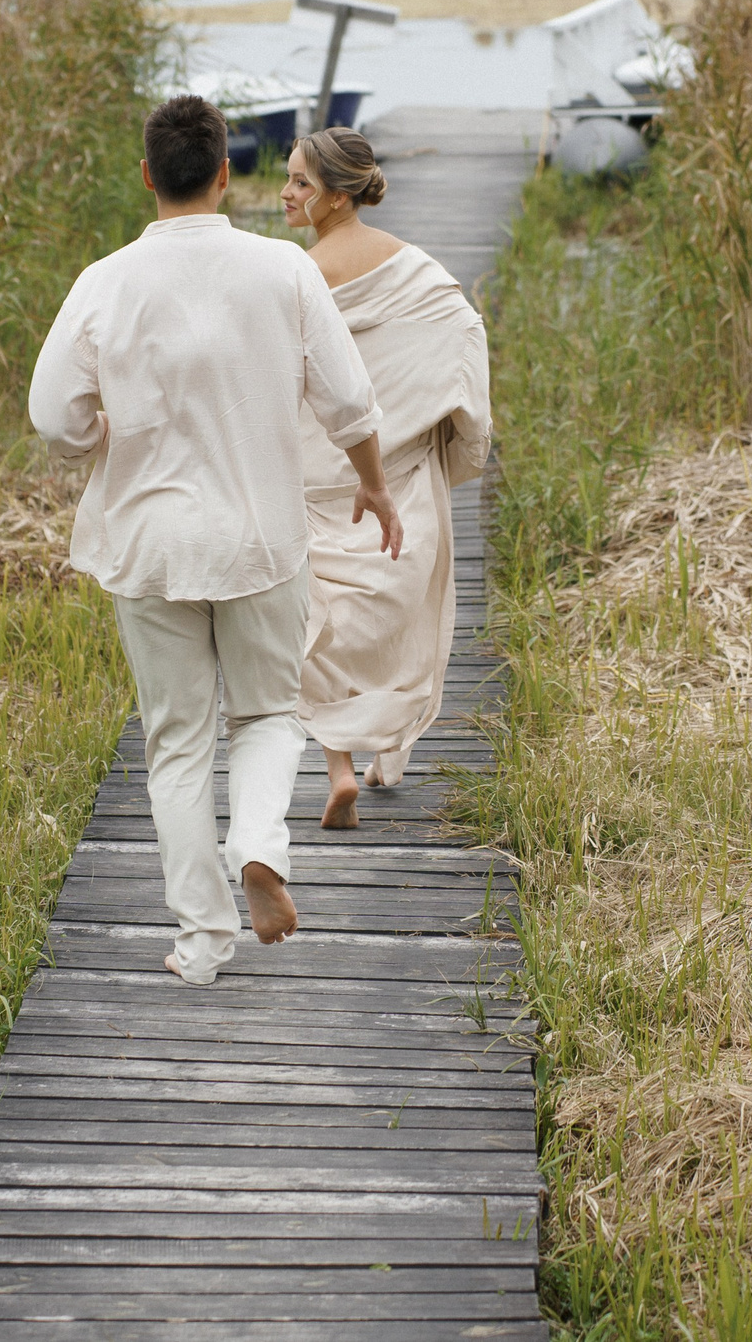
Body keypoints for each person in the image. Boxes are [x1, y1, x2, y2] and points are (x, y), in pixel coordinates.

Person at [29, 96, 403, 986]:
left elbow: (53, 416)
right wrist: (375, 484)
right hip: (262, 540)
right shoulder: (284, 270)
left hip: (149, 545)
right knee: (268, 714)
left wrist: (98, 436)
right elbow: (349, 401)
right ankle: (260, 844)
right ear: (227, 175)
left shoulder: (104, 281)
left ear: (148, 176)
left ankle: (202, 941)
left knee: (177, 741)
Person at [279, 128, 491, 831]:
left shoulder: (296, 275)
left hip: (318, 473)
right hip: (396, 471)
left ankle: (341, 768)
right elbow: (464, 340)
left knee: (316, 621)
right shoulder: (418, 271)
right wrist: (449, 430)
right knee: (403, 615)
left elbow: (275, 370)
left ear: (339, 196)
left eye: (301, 183)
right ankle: (386, 755)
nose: (286, 193)